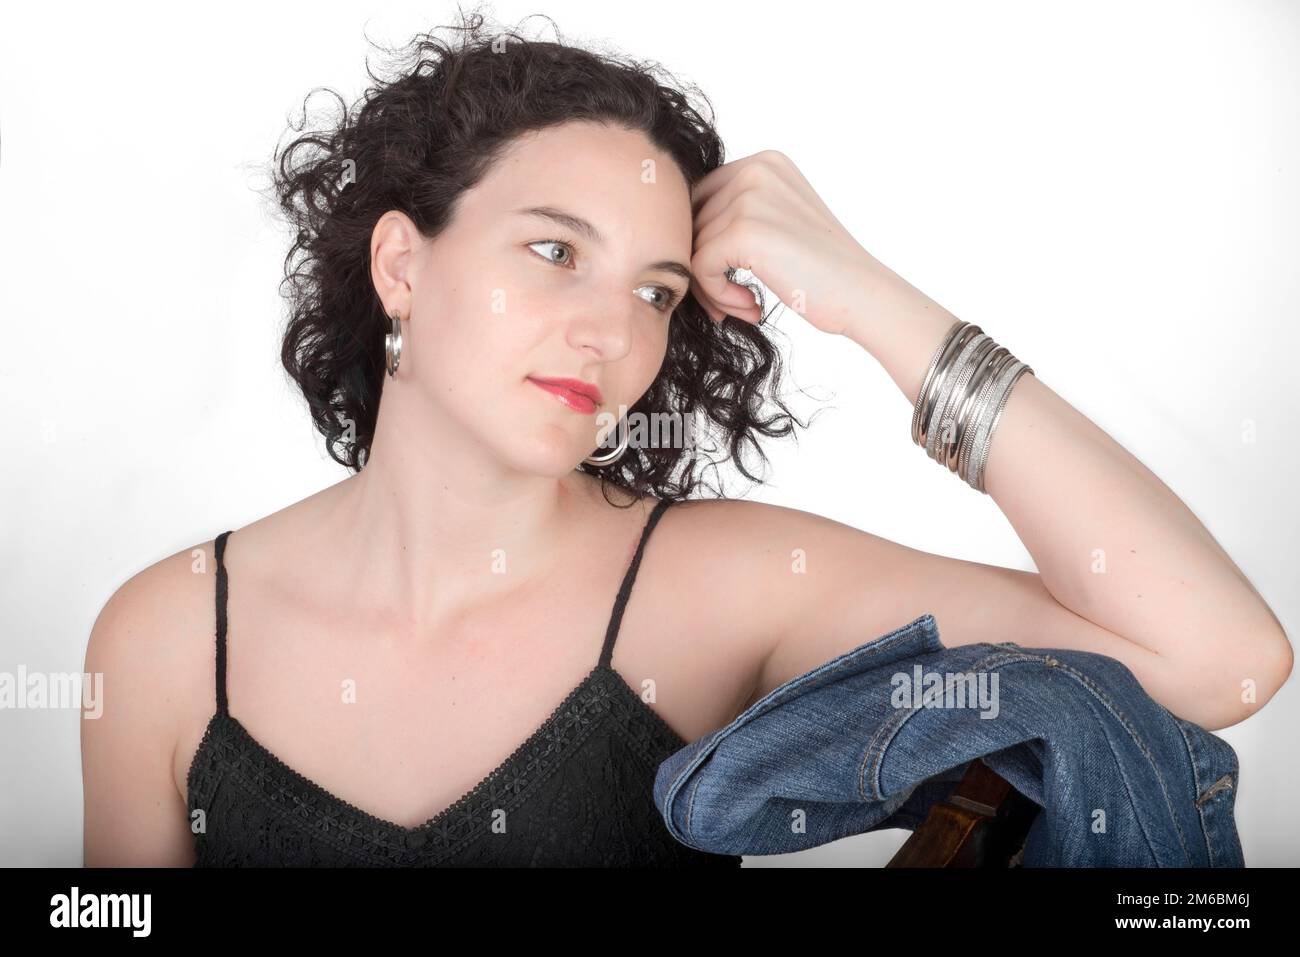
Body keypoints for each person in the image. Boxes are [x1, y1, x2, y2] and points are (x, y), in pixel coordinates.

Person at [81, 9, 1291, 867]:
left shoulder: (715, 589)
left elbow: (1218, 658)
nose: (609, 331)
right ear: (404, 263)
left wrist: (869, 295)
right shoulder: (167, 637)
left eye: (656, 291)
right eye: (554, 252)